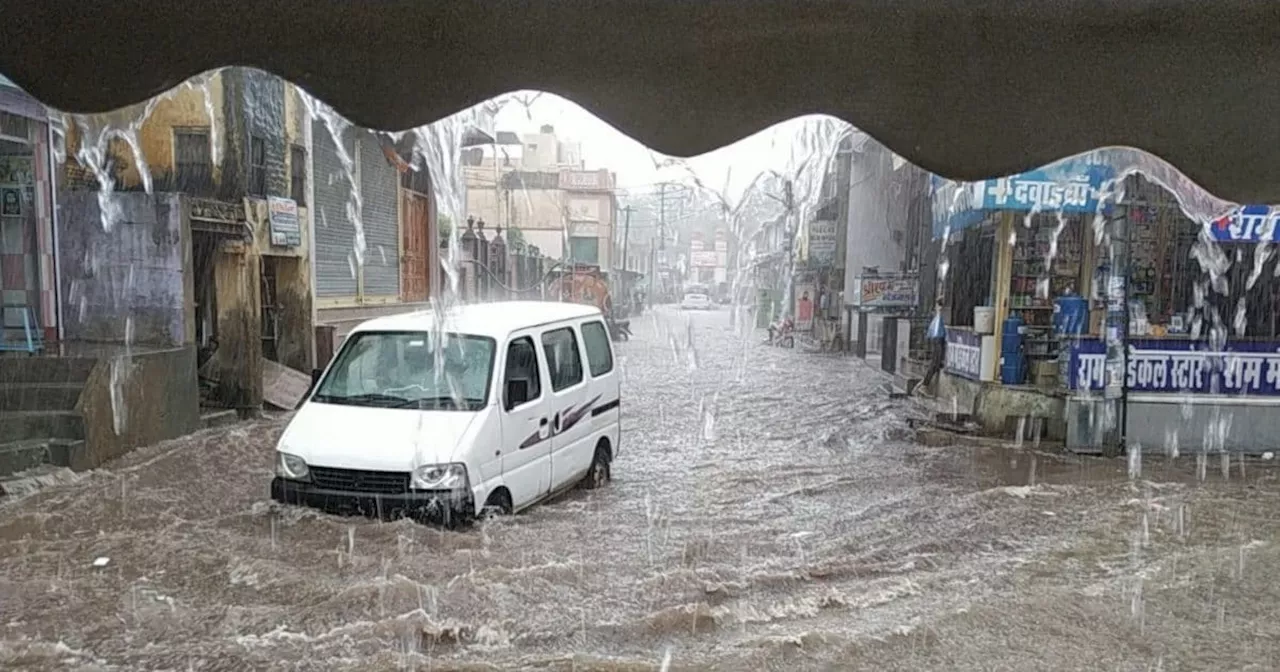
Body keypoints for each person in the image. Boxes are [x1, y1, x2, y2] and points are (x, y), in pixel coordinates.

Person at [918, 299, 947, 395]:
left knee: (935, 362)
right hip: (938, 339)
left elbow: (932, 330)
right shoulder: (941, 316)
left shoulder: (938, 316)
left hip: (936, 339)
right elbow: (938, 330)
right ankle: (925, 385)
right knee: (935, 363)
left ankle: (924, 383)